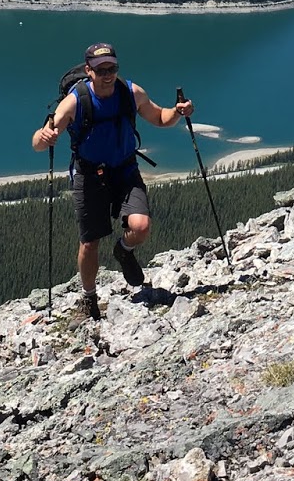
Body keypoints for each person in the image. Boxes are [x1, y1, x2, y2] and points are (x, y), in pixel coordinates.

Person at [32, 41, 194, 320]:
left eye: (112, 68)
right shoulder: (75, 101)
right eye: (101, 69)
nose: (107, 75)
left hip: (125, 170)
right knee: (90, 243)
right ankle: (89, 298)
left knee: (141, 226)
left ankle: (124, 250)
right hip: (89, 174)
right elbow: (39, 140)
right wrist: (44, 137)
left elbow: (159, 117)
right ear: (89, 70)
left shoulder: (131, 92)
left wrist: (178, 112)